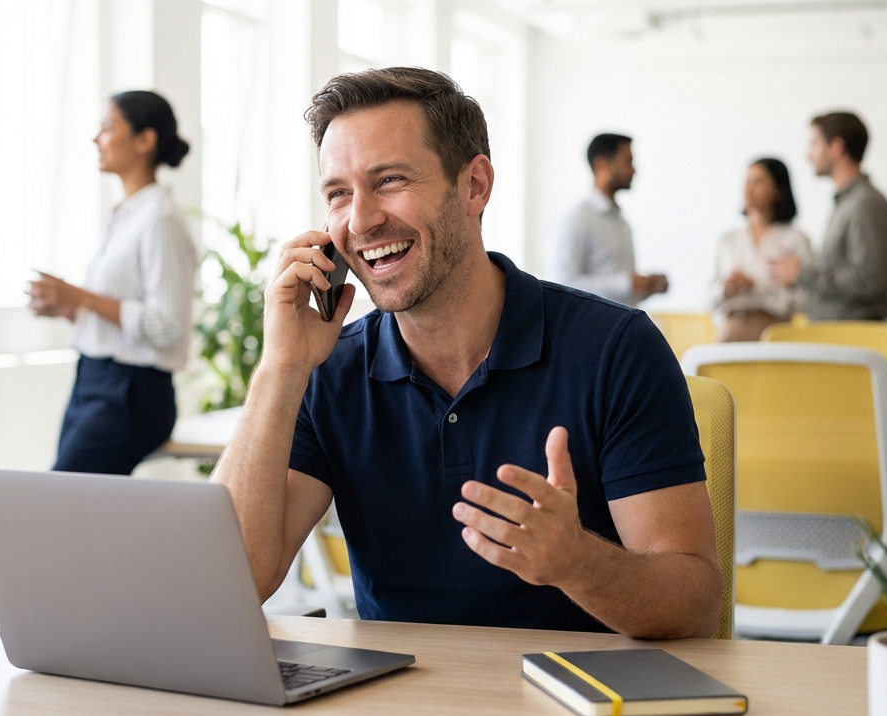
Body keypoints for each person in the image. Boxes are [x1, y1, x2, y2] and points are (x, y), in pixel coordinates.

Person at [213, 67, 720, 638]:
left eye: (390, 181)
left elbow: (696, 606)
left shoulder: (615, 349)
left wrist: (578, 563)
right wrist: (279, 367)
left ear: (475, 186)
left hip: (584, 706)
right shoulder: (326, 370)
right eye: (338, 194)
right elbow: (230, 582)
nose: (360, 220)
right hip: (397, 705)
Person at [27, 91, 198, 475]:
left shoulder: (160, 219)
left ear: (144, 140)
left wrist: (80, 296)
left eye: (107, 128)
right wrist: (71, 308)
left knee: (60, 502)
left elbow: (168, 326)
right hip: (93, 381)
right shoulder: (127, 215)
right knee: (70, 507)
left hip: (131, 393)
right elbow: (122, 323)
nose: (96, 139)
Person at [768, 112, 887, 320]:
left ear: (836, 147)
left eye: (814, 143)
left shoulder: (865, 204)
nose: (808, 154)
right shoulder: (847, 203)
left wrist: (801, 274)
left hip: (849, 338)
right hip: (834, 334)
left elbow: (868, 281)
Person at [546, 134, 668, 306]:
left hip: (623, 327)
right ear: (601, 164)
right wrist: (626, 283)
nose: (634, 170)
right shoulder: (576, 219)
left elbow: (620, 295)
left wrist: (645, 286)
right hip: (592, 329)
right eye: (628, 161)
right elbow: (561, 284)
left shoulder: (622, 223)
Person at [711, 158, 814, 341]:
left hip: (775, 335)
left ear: (777, 191)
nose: (748, 189)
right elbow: (708, 297)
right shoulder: (728, 240)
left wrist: (755, 287)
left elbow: (806, 300)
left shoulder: (795, 240)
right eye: (747, 181)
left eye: (758, 181)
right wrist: (725, 289)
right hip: (730, 333)